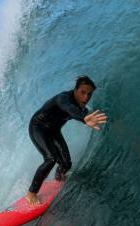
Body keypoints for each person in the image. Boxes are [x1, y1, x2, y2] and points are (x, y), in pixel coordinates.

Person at [25, 75, 108, 205]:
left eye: (89, 94)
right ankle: (31, 193)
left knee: (66, 164)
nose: (85, 97)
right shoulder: (63, 99)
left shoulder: (81, 107)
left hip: (54, 131)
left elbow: (81, 112)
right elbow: (69, 109)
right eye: (82, 92)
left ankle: (58, 178)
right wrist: (83, 119)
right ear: (75, 90)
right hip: (38, 127)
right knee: (51, 159)